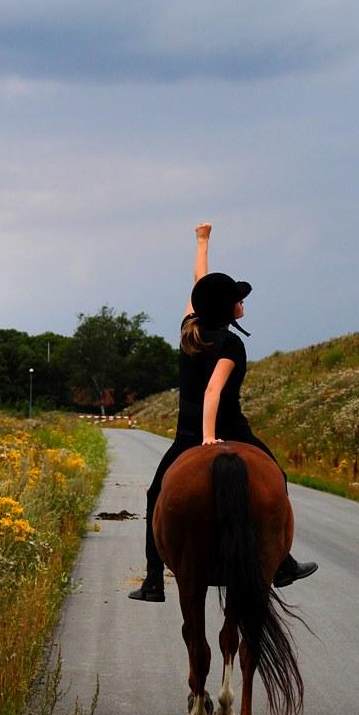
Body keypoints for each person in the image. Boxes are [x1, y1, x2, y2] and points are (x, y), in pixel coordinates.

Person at [129, 223, 318, 602]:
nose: (242, 302)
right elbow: (214, 390)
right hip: (227, 430)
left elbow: (198, 285)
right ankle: (282, 563)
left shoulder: (189, 332)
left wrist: (202, 243)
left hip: (184, 436)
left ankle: (153, 580)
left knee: (155, 495)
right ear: (228, 309)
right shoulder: (231, 344)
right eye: (237, 298)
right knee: (276, 479)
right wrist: (210, 438)